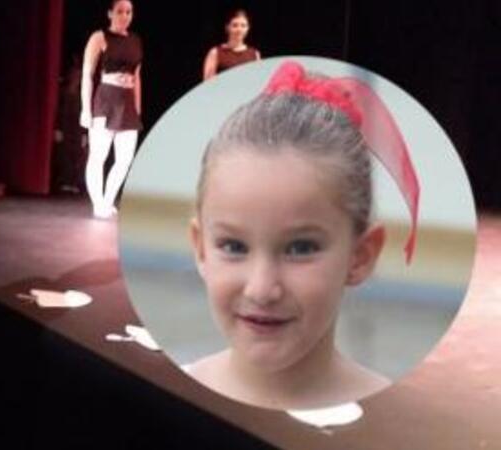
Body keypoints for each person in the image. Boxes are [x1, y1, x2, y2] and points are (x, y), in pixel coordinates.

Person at [186, 61, 420, 410]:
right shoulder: (167, 392)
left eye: (300, 247)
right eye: (234, 246)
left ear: (360, 256)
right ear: (200, 248)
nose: (261, 289)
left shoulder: (395, 421)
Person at [80, 0, 142, 218]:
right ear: (110, 13)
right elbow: (87, 75)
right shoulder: (99, 37)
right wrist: (85, 109)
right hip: (106, 100)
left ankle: (108, 200)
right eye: (120, 11)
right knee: (98, 155)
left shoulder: (135, 40)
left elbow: (137, 76)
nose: (125, 16)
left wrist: (137, 107)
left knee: (125, 159)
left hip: (127, 102)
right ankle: (98, 203)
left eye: (129, 12)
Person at [203, 9, 260, 80]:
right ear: (227, 27)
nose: (239, 29)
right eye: (235, 25)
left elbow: (257, 80)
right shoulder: (216, 52)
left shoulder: (254, 54)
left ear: (248, 28)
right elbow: (208, 82)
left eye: (243, 25)